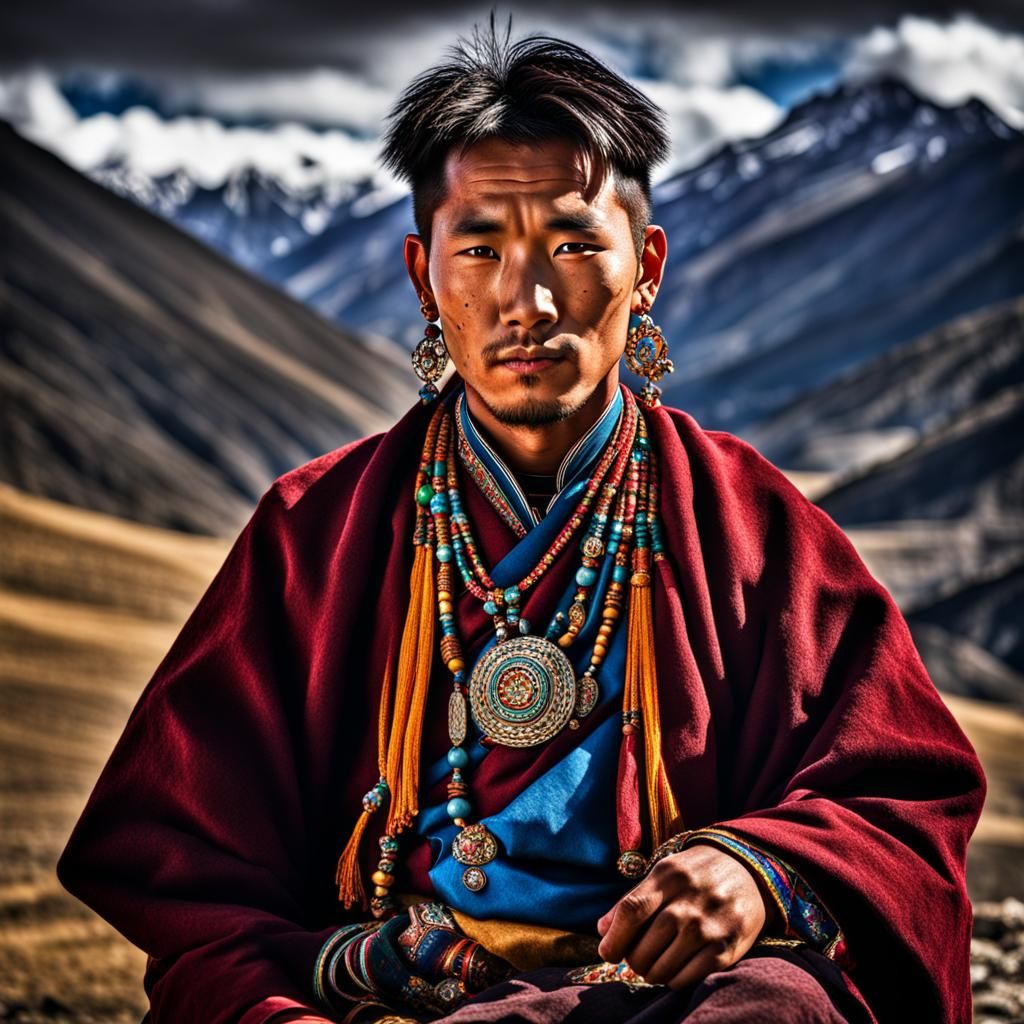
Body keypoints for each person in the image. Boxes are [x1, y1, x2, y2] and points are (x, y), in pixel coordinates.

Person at [57, 17, 986, 1024]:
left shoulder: (753, 526)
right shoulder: (315, 532)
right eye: (481, 247)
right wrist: (329, 976)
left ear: (648, 266)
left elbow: (900, 789)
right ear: (423, 275)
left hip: (670, 1000)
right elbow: (191, 867)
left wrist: (754, 867)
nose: (528, 299)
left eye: (575, 244)